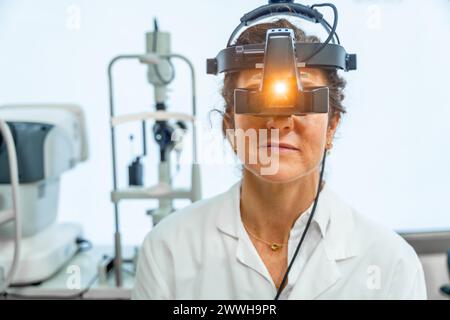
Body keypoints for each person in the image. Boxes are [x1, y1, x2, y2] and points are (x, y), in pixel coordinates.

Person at [132, 19, 426, 300]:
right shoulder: (168, 250)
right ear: (229, 127)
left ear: (332, 125)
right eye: (257, 100)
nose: (279, 122)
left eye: (305, 98)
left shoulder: (390, 263)